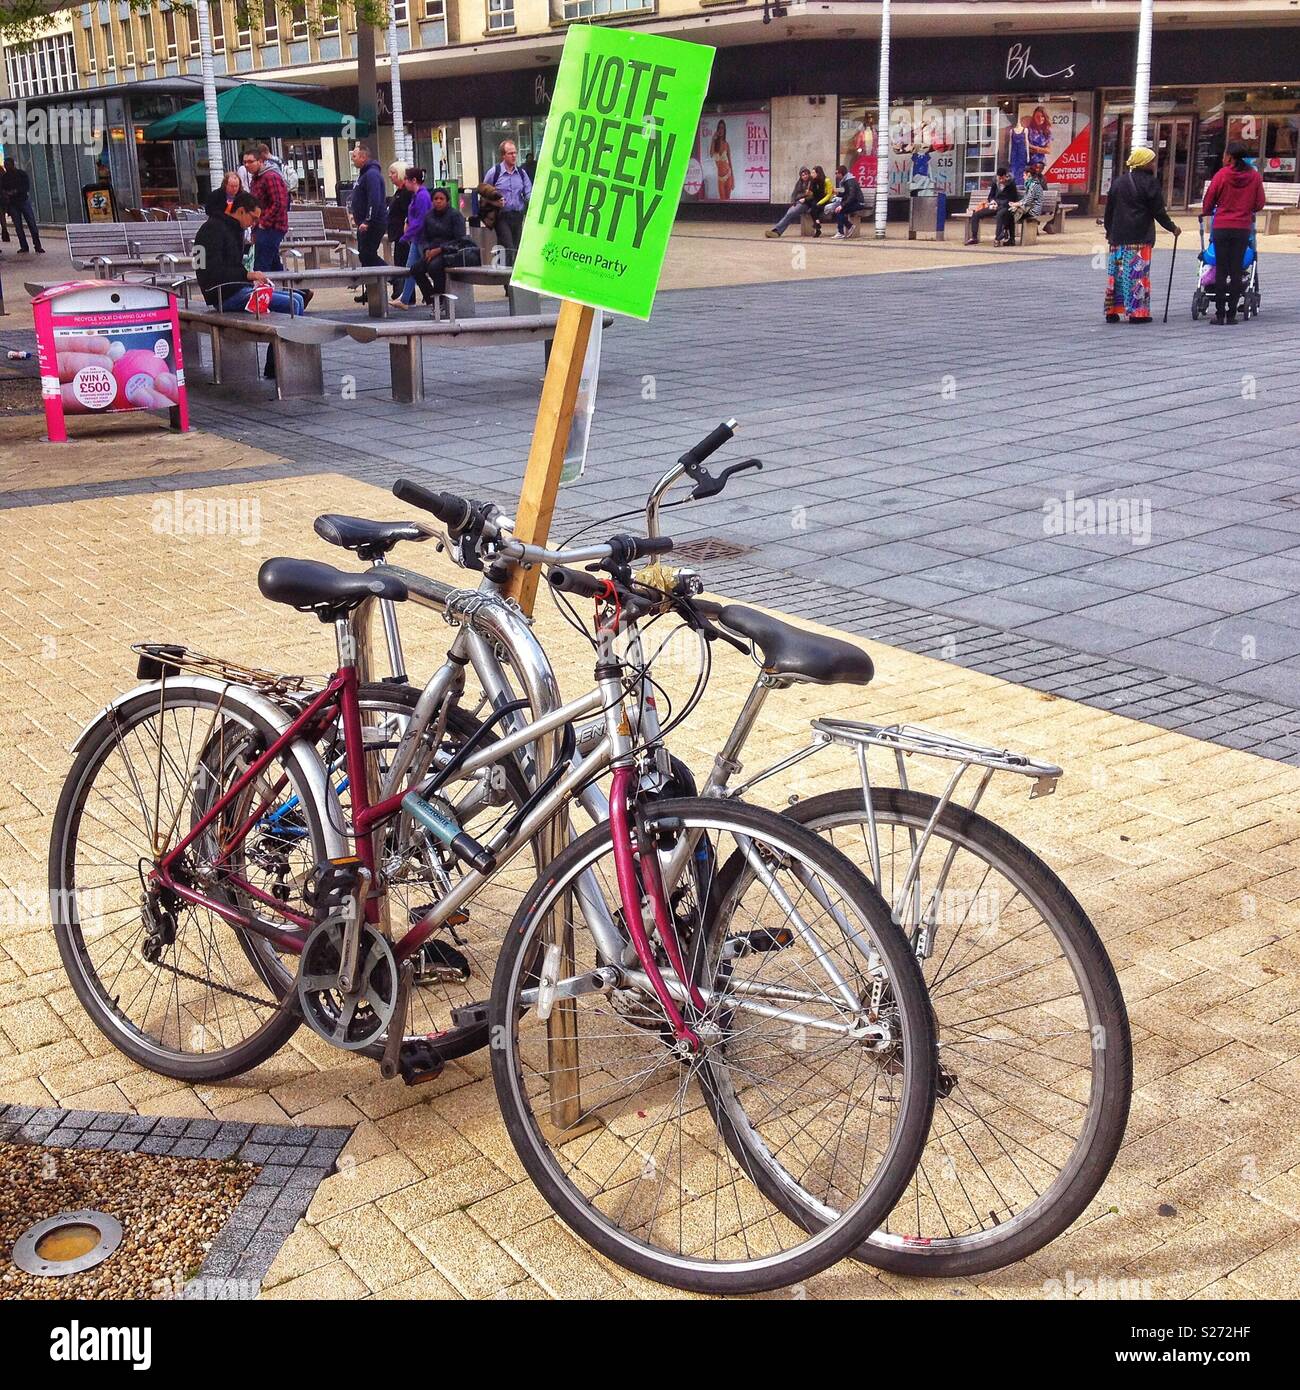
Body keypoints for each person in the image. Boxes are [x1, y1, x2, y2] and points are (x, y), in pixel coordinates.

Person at [194, 191, 308, 378]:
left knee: (296, 298)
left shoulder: (231, 229)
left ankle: (281, 363)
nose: (254, 224)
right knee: (292, 303)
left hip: (236, 289)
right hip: (224, 294)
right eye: (253, 218)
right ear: (240, 211)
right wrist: (248, 274)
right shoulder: (213, 230)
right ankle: (277, 367)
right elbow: (210, 272)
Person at [1102, 146, 1180, 323]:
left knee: (1117, 274)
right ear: (1144, 163)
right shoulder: (1150, 183)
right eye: (1151, 161)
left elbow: (1109, 210)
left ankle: (1113, 310)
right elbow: (1158, 211)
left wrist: (1109, 231)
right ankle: (1137, 313)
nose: (1154, 164)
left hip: (1118, 237)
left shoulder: (1119, 182)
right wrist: (1172, 228)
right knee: (1137, 275)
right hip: (1138, 237)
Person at [1201, 142, 1266, 325]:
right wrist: (1245, 208)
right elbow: (1259, 203)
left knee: (1221, 269)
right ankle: (1231, 314)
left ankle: (1219, 314)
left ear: (1229, 157)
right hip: (1242, 227)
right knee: (1236, 269)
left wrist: (1207, 210)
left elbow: (1209, 199)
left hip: (1222, 226)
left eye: (1224, 155)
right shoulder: (1253, 176)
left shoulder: (1222, 175)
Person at [406, 186, 466, 309]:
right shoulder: (429, 216)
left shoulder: (455, 216)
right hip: (432, 251)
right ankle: (432, 298)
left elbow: (460, 240)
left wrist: (440, 249)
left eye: (441, 199)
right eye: (435, 199)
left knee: (434, 268)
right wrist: (427, 250)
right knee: (415, 269)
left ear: (447, 201)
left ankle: (440, 300)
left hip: (450, 252)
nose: (438, 201)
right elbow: (425, 237)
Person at [242, 144, 289, 272]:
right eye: (245, 162)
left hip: (272, 227)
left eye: (250, 161)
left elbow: (279, 203)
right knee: (274, 265)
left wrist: (263, 222)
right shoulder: (256, 179)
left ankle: (265, 291)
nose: (247, 165)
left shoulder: (270, 176)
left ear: (260, 161)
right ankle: (301, 291)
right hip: (262, 227)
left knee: (261, 267)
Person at [482, 140, 531, 262]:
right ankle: (507, 278)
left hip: (517, 216)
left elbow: (528, 193)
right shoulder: (495, 172)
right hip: (502, 216)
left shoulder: (521, 173)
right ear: (503, 155)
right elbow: (483, 194)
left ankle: (506, 275)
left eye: (515, 153)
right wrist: (495, 203)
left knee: (515, 248)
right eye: (510, 153)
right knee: (509, 247)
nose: (514, 156)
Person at [395, 168, 434, 308]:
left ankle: (434, 297)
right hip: (417, 238)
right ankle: (405, 299)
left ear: (413, 181)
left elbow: (421, 219)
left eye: (406, 179)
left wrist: (406, 235)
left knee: (426, 268)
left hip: (422, 237)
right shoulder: (417, 195)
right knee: (411, 267)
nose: (404, 181)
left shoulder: (422, 196)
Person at [964, 167, 1018, 244]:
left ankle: (997, 238)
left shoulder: (1011, 184)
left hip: (1006, 207)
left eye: (1002, 178)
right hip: (995, 206)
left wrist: (1001, 204)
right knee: (976, 214)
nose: (1001, 180)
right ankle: (974, 237)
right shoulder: (995, 182)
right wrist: (992, 201)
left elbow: (1013, 198)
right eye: (999, 178)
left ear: (1006, 176)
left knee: (1000, 215)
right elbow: (990, 196)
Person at [2, 161, 44, 253]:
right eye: (5, 166)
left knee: (31, 224)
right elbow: (3, 189)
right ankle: (26, 246)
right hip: (14, 203)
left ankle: (37, 246)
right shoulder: (5, 177)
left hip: (23, 201)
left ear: (12, 165)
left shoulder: (21, 174)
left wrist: (14, 192)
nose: (6, 167)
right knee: (19, 227)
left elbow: (26, 187)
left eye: (7, 165)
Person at [385, 160, 411, 302]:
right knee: (400, 263)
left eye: (393, 173)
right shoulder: (399, 192)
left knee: (404, 265)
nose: (390, 176)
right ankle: (402, 294)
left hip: (403, 235)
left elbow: (408, 213)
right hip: (397, 233)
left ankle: (404, 295)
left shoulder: (406, 193)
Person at [1002, 161, 1045, 244]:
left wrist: (1016, 204)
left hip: (1033, 210)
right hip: (1028, 208)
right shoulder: (1030, 184)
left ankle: (1008, 236)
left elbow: (1028, 201)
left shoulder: (1034, 185)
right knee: (1009, 213)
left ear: (1029, 174)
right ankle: (1008, 236)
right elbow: (1025, 199)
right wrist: (1016, 203)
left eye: (1024, 175)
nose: (1022, 176)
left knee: (1010, 215)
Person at [766, 168, 812, 236]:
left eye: (806, 174)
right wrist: (793, 202)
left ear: (809, 174)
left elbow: (813, 195)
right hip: (798, 202)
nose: (805, 176)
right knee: (789, 214)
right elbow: (794, 194)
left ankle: (777, 230)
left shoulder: (812, 182)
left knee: (791, 213)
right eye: (803, 175)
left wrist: (804, 197)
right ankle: (777, 231)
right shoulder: (799, 183)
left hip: (806, 203)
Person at [829, 165, 866, 238]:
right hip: (853, 202)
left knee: (839, 211)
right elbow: (844, 192)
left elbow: (851, 196)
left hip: (858, 203)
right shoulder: (844, 181)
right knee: (839, 211)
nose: (836, 175)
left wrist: (842, 205)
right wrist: (837, 195)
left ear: (841, 173)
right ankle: (849, 227)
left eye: (837, 173)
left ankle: (841, 232)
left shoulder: (850, 181)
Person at [709, 120, 735, 200]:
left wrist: (733, 179)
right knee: (722, 201)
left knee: (728, 200)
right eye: (719, 128)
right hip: (720, 178)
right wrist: (713, 139)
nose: (721, 130)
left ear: (724, 130)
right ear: (717, 129)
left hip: (728, 175)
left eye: (722, 128)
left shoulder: (726, 144)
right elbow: (711, 155)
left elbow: (730, 162)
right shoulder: (714, 144)